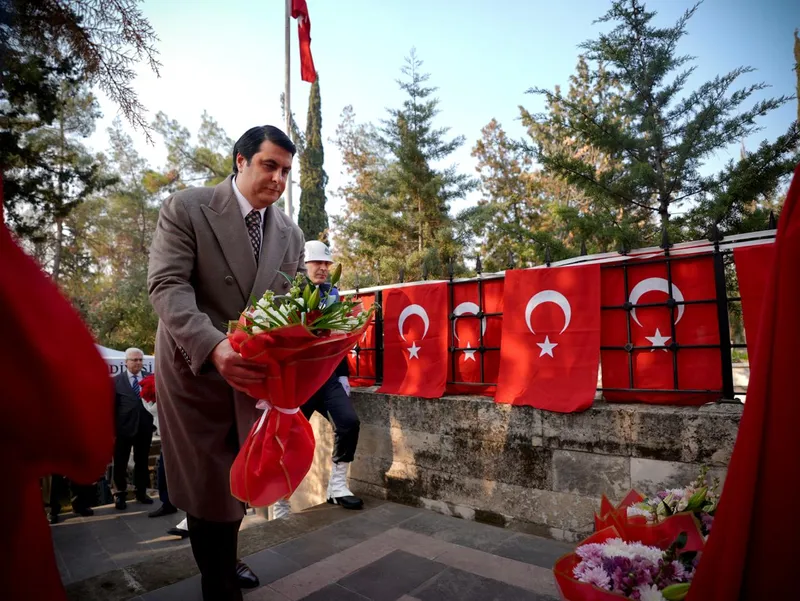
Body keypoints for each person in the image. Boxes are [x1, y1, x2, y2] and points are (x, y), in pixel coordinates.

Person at [148, 125, 305, 601]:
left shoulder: (291, 234)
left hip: (252, 380)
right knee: (208, 486)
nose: (278, 179)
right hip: (195, 368)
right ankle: (218, 582)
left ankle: (225, 557)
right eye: (269, 165)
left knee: (239, 477)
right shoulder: (186, 208)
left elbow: (294, 307)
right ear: (241, 160)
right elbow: (167, 286)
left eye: (286, 171)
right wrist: (215, 347)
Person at [272, 241, 363, 520]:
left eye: (327, 264)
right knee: (289, 441)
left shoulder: (332, 293)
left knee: (348, 422)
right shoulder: (289, 293)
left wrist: (343, 374)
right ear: (303, 265)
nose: (323, 268)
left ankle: (337, 486)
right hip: (298, 382)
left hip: (327, 377)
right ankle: (280, 500)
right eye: (317, 263)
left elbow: (339, 337)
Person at [112, 348, 154, 510]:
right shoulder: (117, 381)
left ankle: (141, 492)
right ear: (126, 362)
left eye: (140, 360)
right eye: (134, 360)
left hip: (144, 428)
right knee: (120, 462)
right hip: (123, 429)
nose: (138, 363)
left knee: (142, 461)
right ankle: (119, 494)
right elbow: (112, 407)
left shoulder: (150, 379)